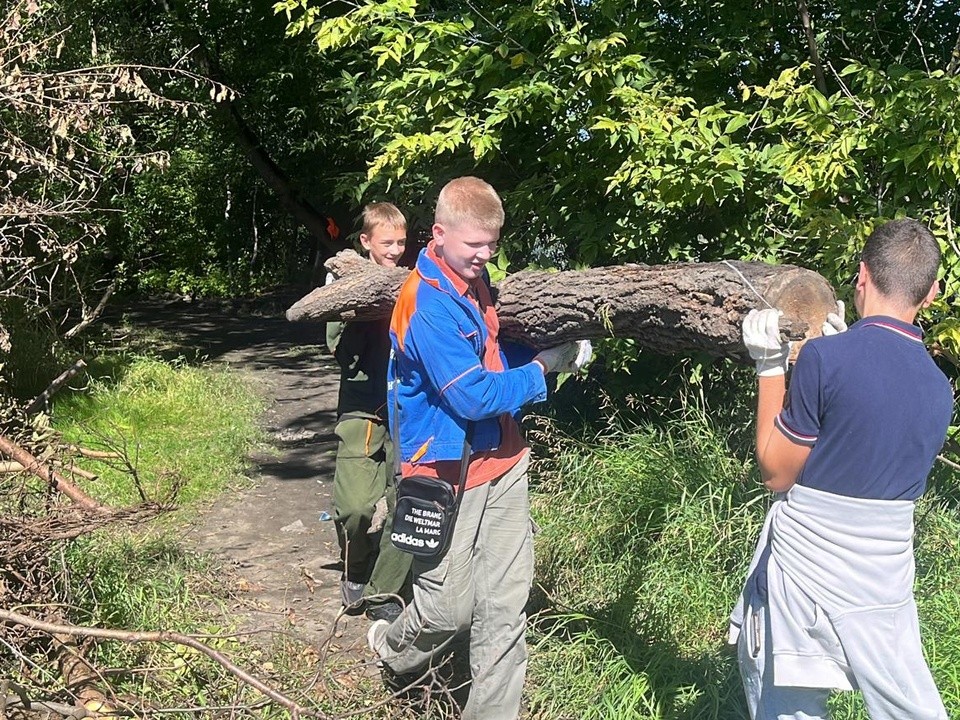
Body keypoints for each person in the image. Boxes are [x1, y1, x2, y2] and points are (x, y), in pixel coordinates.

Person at [366, 176, 591, 719]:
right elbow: (471, 395)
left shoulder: (475, 278)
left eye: (492, 244)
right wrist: (545, 368)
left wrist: (540, 348)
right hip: (445, 472)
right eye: (475, 246)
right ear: (439, 235)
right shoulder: (426, 306)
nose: (486, 256)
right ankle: (390, 647)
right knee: (446, 610)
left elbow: (489, 358)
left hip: (505, 462)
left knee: (504, 609)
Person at [730, 217, 952, 720]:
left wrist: (771, 367)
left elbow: (776, 472)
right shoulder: (941, 389)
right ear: (932, 293)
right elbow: (868, 430)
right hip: (884, 579)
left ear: (861, 275)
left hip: (804, 573)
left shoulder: (827, 359)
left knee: (790, 708)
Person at [327, 202, 412, 622]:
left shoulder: (413, 281)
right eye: (387, 243)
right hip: (362, 408)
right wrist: (364, 310)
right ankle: (356, 567)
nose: (395, 250)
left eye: (401, 242)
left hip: (408, 406)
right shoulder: (343, 280)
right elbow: (336, 348)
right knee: (356, 506)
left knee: (406, 499)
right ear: (365, 242)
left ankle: (385, 590)